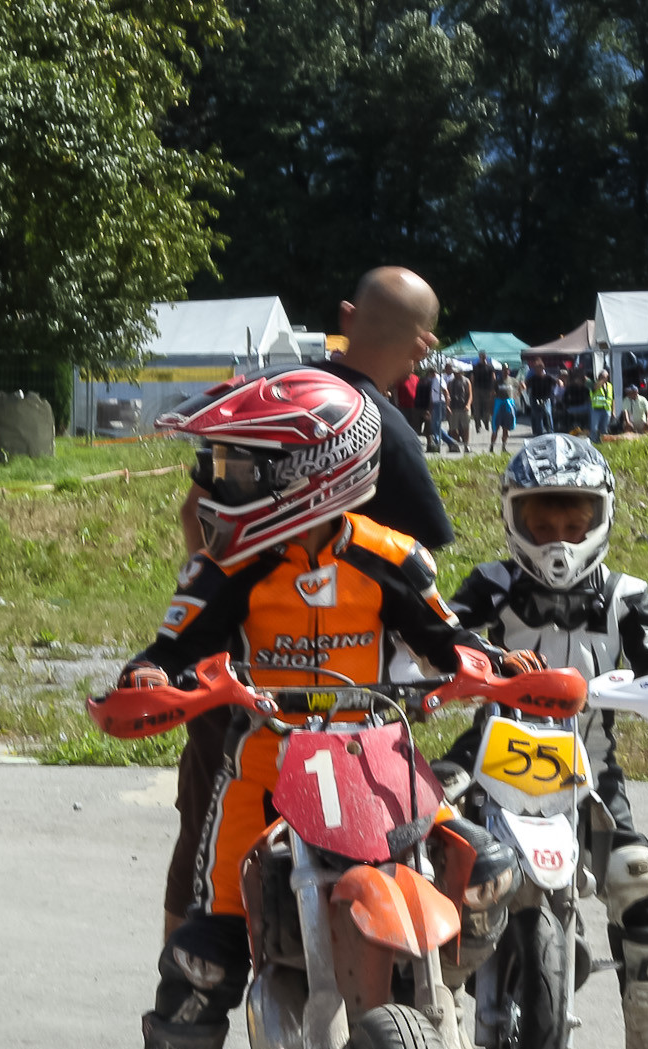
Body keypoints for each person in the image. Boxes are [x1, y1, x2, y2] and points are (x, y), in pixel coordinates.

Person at [113, 367, 533, 1049]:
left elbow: (445, 637)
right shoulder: (229, 567)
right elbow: (172, 649)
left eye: (237, 467)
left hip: (374, 756)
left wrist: (492, 667)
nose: (215, 482)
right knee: (202, 956)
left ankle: (444, 997)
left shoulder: (389, 558)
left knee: (487, 868)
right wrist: (149, 677)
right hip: (265, 768)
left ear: (311, 473)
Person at [162, 267, 456, 942]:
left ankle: (187, 996)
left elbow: (194, 513)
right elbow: (415, 575)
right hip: (340, 695)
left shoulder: (273, 396)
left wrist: (218, 604)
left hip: (232, 678)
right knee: (377, 845)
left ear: (346, 316)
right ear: (425, 346)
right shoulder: (378, 429)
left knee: (207, 847)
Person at [434, 434, 648, 1049]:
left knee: (636, 877)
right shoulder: (493, 582)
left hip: (589, 765)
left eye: (574, 523)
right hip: (495, 751)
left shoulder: (628, 595)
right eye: (542, 523)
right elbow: (441, 636)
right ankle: (440, 1013)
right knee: (436, 850)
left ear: (601, 516)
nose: (558, 539)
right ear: (514, 517)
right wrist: (472, 665)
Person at [525, 356, 557, 436]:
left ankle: (550, 432)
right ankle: (539, 434)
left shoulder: (548, 377)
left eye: (539, 368)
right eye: (536, 368)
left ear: (542, 368)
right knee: (538, 416)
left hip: (546, 398)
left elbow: (556, 381)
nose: (537, 370)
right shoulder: (532, 377)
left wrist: (560, 382)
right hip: (536, 398)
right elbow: (526, 384)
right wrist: (523, 385)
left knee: (548, 414)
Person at [491, 361, 518, 453]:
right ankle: (492, 446)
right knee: (496, 427)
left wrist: (516, 395)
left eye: (507, 370)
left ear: (509, 371)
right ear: (501, 371)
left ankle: (504, 446)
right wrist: (491, 407)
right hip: (499, 404)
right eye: (504, 370)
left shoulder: (512, 380)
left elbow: (520, 386)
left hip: (508, 405)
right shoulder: (497, 381)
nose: (505, 371)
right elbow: (492, 393)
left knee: (506, 428)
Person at [470, 352, 495, 439]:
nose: (483, 358)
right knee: (477, 409)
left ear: (486, 357)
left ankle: (486, 422)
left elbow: (493, 378)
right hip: (477, 390)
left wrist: (492, 389)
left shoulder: (490, 367)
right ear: (479, 357)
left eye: (484, 356)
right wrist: (472, 390)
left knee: (486, 408)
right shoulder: (475, 367)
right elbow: (472, 379)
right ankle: (478, 426)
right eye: (481, 356)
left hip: (487, 390)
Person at [446, 366, 470, 451]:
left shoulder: (466, 381)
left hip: (463, 407)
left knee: (465, 428)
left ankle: (466, 445)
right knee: (453, 428)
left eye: (457, 373)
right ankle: (455, 445)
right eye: (455, 373)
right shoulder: (450, 382)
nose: (456, 374)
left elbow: (470, 395)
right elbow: (448, 395)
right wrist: (448, 406)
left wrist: (468, 405)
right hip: (454, 408)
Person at [589, 369, 614, 441]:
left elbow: (612, 399)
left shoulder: (610, 386)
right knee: (594, 428)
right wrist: (601, 381)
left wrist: (613, 411)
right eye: (602, 377)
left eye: (606, 377)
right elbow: (594, 389)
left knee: (604, 428)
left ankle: (603, 442)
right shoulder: (595, 384)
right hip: (596, 409)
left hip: (607, 409)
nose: (605, 378)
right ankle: (593, 441)